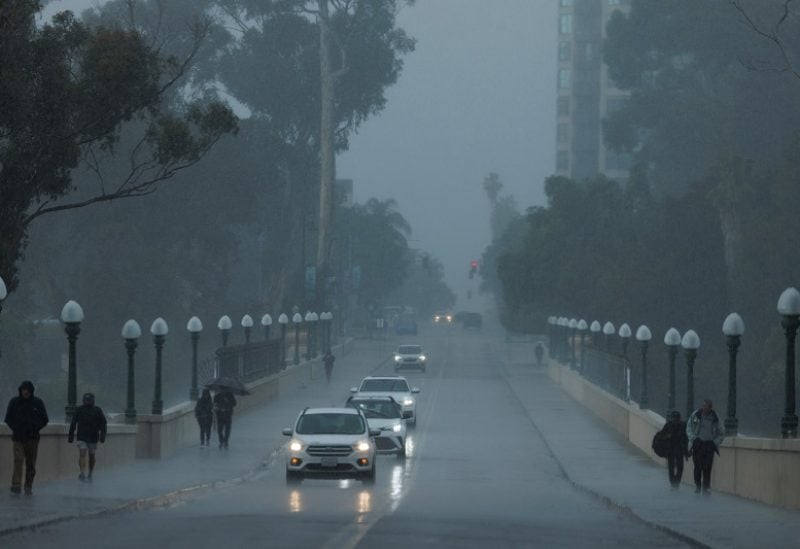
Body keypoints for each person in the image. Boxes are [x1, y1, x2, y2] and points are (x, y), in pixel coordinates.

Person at [4, 380, 49, 494]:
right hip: (18, 438)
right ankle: (16, 485)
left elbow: (45, 419)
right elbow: (8, 418)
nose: (26, 392)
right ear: (21, 390)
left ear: (31, 391)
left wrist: (35, 427)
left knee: (31, 463)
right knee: (18, 460)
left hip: (32, 438)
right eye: (24, 390)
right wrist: (16, 428)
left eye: (28, 390)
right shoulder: (14, 402)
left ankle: (28, 485)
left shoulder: (37, 403)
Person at [686, 399, 724, 495]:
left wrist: (715, 442)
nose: (704, 408)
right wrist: (693, 439)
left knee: (707, 468)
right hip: (698, 444)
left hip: (709, 445)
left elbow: (721, 433)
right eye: (703, 406)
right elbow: (689, 428)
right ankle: (698, 486)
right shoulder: (696, 415)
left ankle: (706, 488)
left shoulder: (715, 418)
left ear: (710, 408)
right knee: (697, 467)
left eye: (706, 407)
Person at [68, 393, 107, 482]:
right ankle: (82, 473)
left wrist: (102, 435)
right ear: (83, 400)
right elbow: (73, 423)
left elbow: (103, 424)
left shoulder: (97, 410)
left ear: (93, 400)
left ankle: (90, 472)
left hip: (93, 437)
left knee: (91, 456)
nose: (87, 401)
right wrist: (70, 435)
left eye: (89, 400)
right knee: (82, 454)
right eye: (86, 400)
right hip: (82, 436)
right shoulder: (79, 410)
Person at [656, 410, 689, 489]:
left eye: (676, 419)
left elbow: (686, 437)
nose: (675, 420)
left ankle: (675, 483)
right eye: (674, 419)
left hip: (679, 449)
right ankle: (674, 484)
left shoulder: (682, 426)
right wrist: (668, 436)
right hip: (671, 449)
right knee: (672, 467)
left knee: (678, 467)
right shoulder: (669, 425)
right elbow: (661, 436)